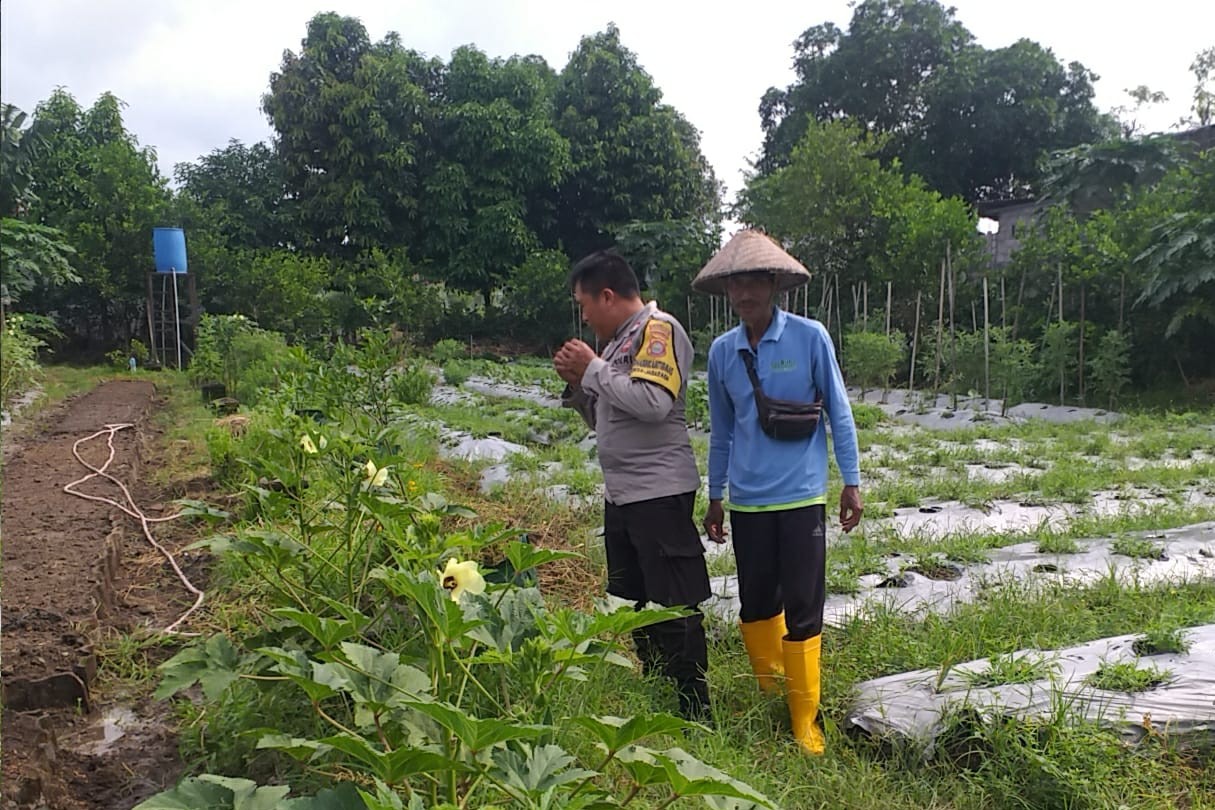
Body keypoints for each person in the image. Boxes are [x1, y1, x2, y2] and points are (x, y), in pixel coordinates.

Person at [692, 229, 863, 754]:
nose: (744, 294)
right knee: (756, 602)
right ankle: (770, 691)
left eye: (753, 283)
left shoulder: (810, 338)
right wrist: (715, 494)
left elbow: (839, 410)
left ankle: (803, 718)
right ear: (727, 292)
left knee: (805, 605)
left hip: (802, 497)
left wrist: (851, 481)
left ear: (773, 285)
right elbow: (721, 430)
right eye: (735, 285)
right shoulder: (722, 353)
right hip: (747, 501)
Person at [553, 249, 712, 721]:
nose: (582, 315)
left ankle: (694, 708)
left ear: (607, 295)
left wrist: (594, 371)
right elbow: (606, 419)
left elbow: (652, 403)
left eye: (584, 304)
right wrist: (581, 388)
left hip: (658, 493)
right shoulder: (617, 344)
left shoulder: (655, 330)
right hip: (622, 495)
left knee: (673, 603)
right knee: (635, 599)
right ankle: (659, 687)